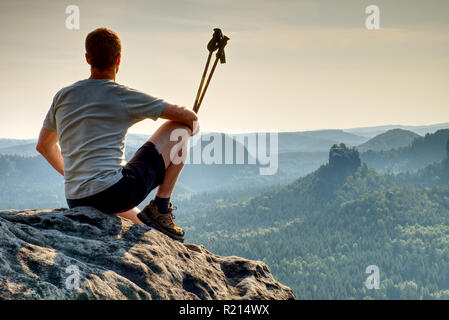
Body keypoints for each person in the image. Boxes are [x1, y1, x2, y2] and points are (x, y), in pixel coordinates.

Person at [36, 27, 199, 242]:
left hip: (76, 198)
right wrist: (193, 128)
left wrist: (73, 175)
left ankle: (157, 231)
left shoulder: (63, 96)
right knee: (180, 129)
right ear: (119, 58)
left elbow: (44, 146)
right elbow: (187, 116)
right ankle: (161, 207)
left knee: (139, 220)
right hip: (112, 194)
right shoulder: (121, 94)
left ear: (87, 58)